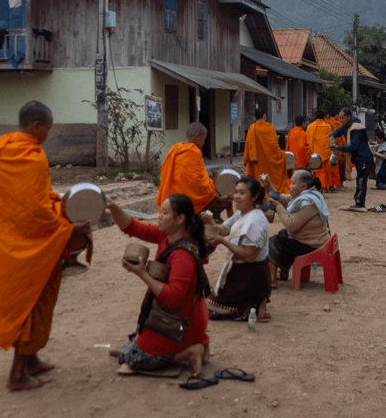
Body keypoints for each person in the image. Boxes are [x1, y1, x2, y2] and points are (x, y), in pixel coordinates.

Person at [0, 100, 92, 392]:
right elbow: (36, 213)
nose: (48, 134)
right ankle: (16, 375)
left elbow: (28, 198)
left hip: (6, 241)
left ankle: (32, 359)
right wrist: (69, 227)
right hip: (29, 247)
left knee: (30, 302)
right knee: (32, 302)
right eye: (47, 129)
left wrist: (57, 199)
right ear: (36, 126)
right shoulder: (33, 156)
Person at [107, 194, 212, 376]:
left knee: (132, 358)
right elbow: (132, 226)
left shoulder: (183, 255)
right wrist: (112, 205)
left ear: (180, 219)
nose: (159, 216)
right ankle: (195, 343)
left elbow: (173, 298)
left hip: (183, 321)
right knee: (133, 345)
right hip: (179, 315)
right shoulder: (166, 235)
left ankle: (189, 352)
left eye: (164, 212)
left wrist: (142, 274)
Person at [205, 176, 272, 322]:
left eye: (241, 193)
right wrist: (209, 221)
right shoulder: (241, 214)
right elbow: (222, 230)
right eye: (235, 192)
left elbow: (249, 257)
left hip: (252, 275)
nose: (236, 197)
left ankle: (250, 307)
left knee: (207, 310)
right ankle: (254, 302)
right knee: (206, 306)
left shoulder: (255, 221)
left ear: (254, 197)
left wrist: (222, 242)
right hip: (239, 272)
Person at [260, 169, 331, 287]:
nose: (290, 186)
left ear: (303, 186)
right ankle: (284, 272)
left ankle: (272, 279)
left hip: (312, 244)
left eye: (293, 183)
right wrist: (268, 185)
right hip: (312, 240)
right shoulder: (303, 197)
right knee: (283, 234)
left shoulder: (308, 202)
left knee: (273, 241)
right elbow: (280, 197)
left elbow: (291, 225)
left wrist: (278, 207)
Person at [156, 122, 232, 217]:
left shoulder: (175, 149)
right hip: (186, 201)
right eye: (203, 139)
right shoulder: (194, 151)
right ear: (197, 136)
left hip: (171, 199)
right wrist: (217, 197)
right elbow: (200, 184)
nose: (204, 143)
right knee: (218, 197)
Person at [330, 108, 374, 210]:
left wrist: (339, 148)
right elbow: (338, 131)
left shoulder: (356, 128)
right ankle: (359, 201)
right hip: (359, 157)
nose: (341, 120)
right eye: (340, 118)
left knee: (361, 180)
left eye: (342, 117)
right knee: (360, 179)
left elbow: (354, 146)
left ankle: (359, 202)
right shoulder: (347, 126)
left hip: (363, 157)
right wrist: (331, 137)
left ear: (349, 116)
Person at [243, 106, 288, 194]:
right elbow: (275, 147)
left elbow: (248, 147)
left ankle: (259, 197)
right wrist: (282, 155)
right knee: (270, 178)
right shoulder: (270, 127)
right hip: (270, 160)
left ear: (254, 118)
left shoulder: (252, 128)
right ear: (265, 116)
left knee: (258, 181)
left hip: (257, 162)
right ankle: (272, 194)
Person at [305, 109, 335, 193]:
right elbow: (328, 140)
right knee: (325, 171)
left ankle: (319, 188)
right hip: (325, 153)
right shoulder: (327, 126)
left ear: (315, 116)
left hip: (314, 153)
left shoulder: (310, 127)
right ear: (324, 117)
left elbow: (308, 140)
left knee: (317, 172)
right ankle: (325, 188)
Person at [326, 110, 345, 189]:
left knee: (327, 169)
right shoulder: (337, 124)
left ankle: (327, 187)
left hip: (326, 149)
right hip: (337, 148)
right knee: (338, 168)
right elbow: (341, 137)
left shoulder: (327, 124)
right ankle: (339, 184)